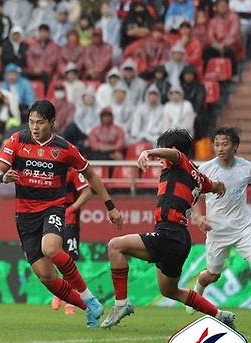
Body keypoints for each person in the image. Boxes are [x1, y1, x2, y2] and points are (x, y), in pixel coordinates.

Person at [0, 100, 122, 328]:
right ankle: (89, 307)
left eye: (40, 122)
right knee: (46, 276)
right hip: (24, 215)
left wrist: (110, 205)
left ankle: (88, 295)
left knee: (51, 248)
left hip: (52, 207)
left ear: (52, 122)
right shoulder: (17, 140)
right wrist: (3, 177)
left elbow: (91, 175)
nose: (34, 127)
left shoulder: (65, 148)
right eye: (31, 122)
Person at [103, 129, 235, 329]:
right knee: (170, 291)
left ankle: (121, 305)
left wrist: (148, 152)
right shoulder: (198, 176)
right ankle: (220, 314)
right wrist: (220, 187)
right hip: (181, 239)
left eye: (163, 151)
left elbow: (174, 154)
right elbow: (214, 185)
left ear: (171, 149)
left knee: (115, 246)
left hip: (169, 233)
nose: (160, 160)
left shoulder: (177, 159)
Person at [189, 127, 251, 314]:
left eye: (225, 144)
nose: (220, 148)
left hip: (243, 229)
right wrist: (199, 216)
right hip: (216, 231)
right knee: (213, 275)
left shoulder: (246, 168)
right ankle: (199, 285)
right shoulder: (206, 169)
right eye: (216, 144)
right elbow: (194, 195)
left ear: (235, 146)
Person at [51, 167, 92, 314]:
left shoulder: (74, 171)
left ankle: (69, 300)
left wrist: (72, 208)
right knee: (53, 254)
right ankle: (58, 292)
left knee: (69, 258)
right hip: (52, 215)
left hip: (70, 220)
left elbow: (87, 192)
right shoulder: (51, 167)